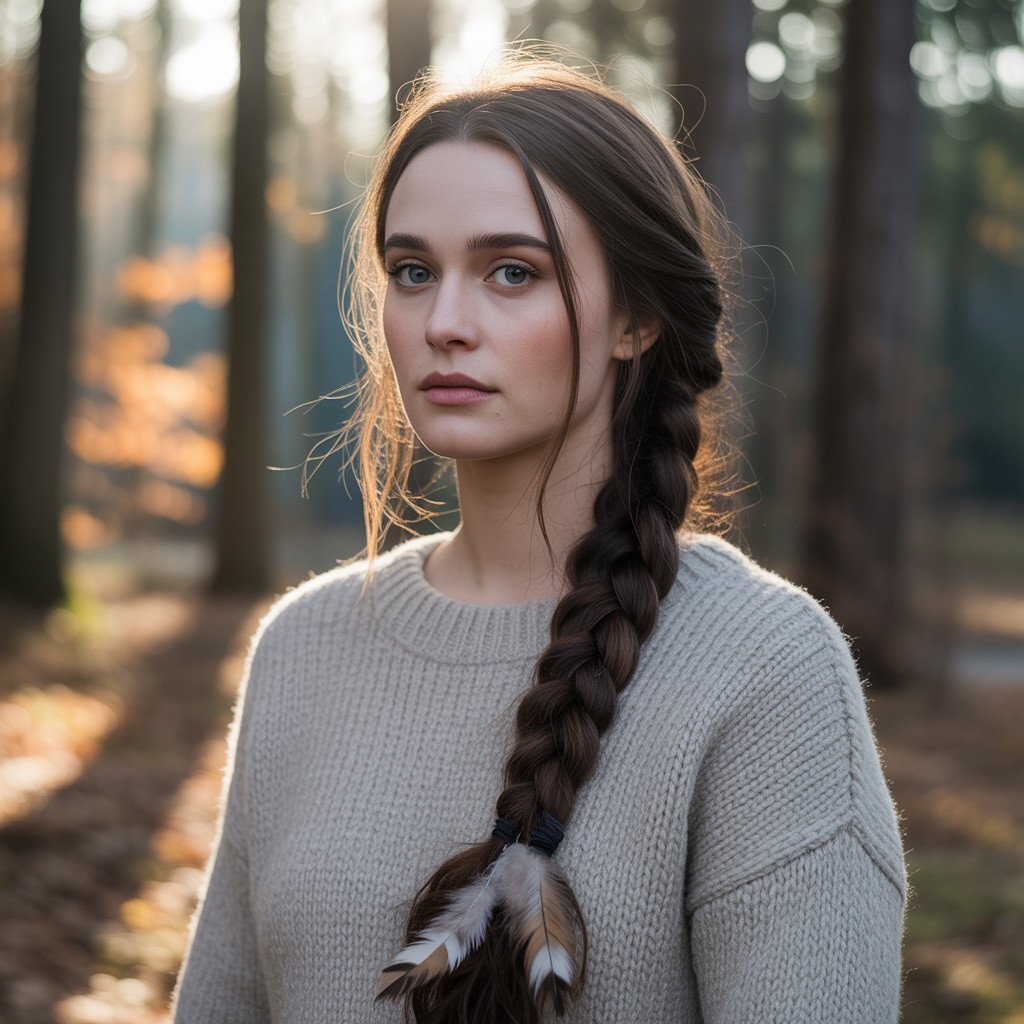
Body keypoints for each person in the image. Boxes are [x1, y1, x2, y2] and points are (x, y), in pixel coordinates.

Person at [173, 53, 905, 1024]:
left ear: (636, 317)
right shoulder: (301, 648)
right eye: (411, 271)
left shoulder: (764, 669)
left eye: (511, 272)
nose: (443, 322)